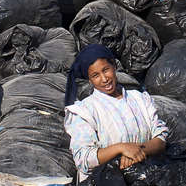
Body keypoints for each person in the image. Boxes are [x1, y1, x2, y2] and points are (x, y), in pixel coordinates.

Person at [63, 43, 167, 176]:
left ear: (114, 66)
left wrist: (136, 152)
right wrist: (121, 148)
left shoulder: (140, 99)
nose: (104, 79)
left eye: (106, 70)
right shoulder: (84, 111)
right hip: (106, 185)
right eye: (96, 75)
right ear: (90, 80)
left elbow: (161, 139)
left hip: (147, 175)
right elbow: (84, 159)